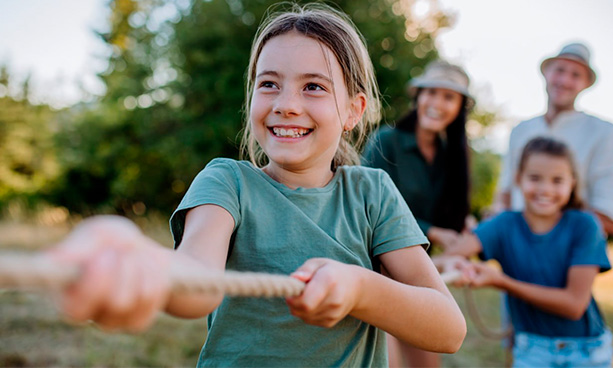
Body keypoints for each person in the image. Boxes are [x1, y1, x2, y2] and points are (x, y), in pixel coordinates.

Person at [48, 3, 467, 367]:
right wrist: (143, 265)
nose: (286, 104)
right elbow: (195, 282)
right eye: (269, 84)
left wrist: (361, 288)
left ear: (354, 110)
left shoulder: (372, 194)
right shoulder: (227, 182)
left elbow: (447, 331)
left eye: (314, 87)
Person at [447, 136, 613, 368]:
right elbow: (450, 255)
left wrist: (503, 282)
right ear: (518, 179)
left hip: (587, 352)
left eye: (557, 180)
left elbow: (574, 305)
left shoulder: (585, 225)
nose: (545, 189)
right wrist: (457, 262)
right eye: (535, 178)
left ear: (572, 183)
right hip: (531, 349)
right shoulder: (504, 224)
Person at [362, 59, 474, 367]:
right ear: (418, 97)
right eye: (431, 93)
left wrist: (461, 225)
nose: (437, 103)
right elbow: (367, 208)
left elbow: (444, 213)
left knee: (428, 363)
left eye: (448, 97)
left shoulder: (452, 158)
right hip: (376, 272)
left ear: (459, 107)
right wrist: (434, 231)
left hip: (418, 275)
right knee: (388, 362)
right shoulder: (386, 141)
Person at [497, 42, 613, 236]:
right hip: (514, 252)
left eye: (576, 75)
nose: (565, 80)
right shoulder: (520, 130)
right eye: (559, 70)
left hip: (572, 255)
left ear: (585, 83)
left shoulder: (608, 135)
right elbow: (505, 194)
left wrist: (551, 242)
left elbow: (610, 215)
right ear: (546, 73)